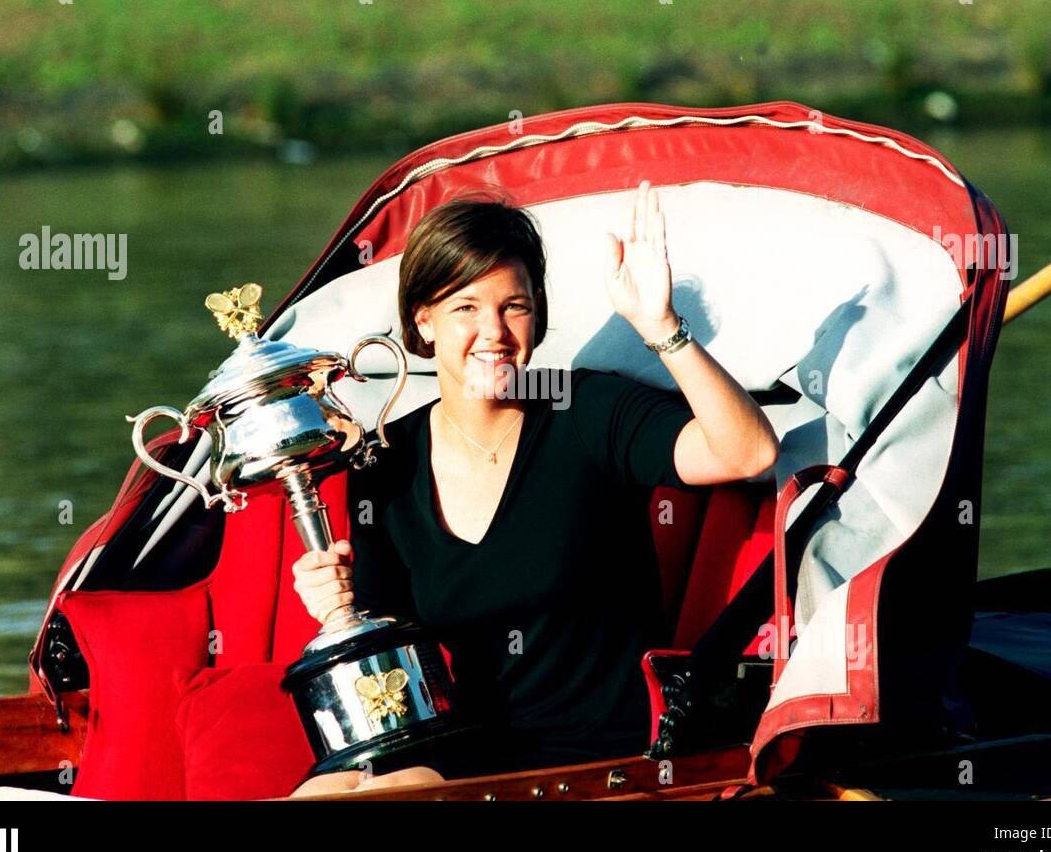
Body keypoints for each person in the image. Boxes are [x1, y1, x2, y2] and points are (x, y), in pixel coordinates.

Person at [291, 181, 778, 796]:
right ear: (424, 320)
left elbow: (749, 451)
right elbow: (389, 643)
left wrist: (661, 327)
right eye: (465, 307)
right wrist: (337, 607)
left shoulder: (587, 410)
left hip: (593, 758)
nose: (493, 331)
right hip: (458, 744)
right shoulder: (386, 459)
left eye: (513, 306)